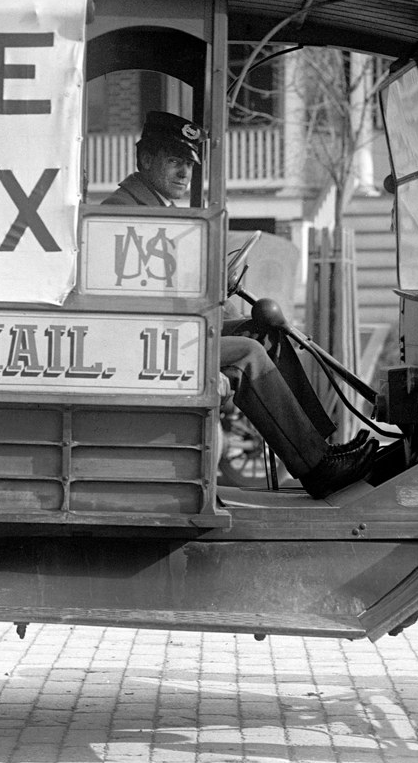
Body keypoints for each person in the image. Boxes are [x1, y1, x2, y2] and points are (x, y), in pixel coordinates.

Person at [99, 111, 382, 497]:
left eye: (187, 164)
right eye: (173, 161)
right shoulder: (124, 212)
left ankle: (319, 448)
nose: (184, 173)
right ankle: (315, 468)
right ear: (144, 159)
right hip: (144, 344)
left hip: (169, 333)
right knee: (247, 354)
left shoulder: (156, 207)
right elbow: (145, 297)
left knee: (263, 332)